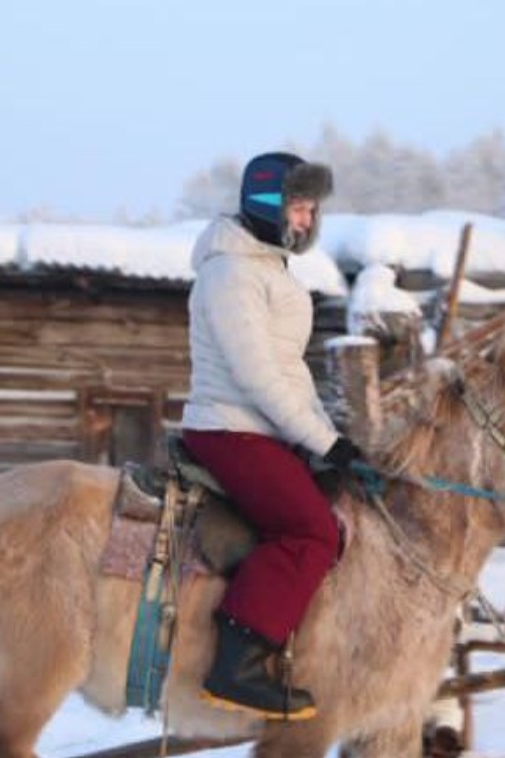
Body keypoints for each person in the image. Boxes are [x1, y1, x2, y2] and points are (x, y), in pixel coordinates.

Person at [181, 151, 364, 720]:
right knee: (309, 531)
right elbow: (256, 373)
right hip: (228, 428)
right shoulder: (230, 272)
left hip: (261, 429)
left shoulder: (267, 265)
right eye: (299, 207)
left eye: (311, 210)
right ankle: (236, 665)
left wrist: (325, 441)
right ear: (266, 202)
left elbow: (291, 369)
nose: (307, 221)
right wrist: (322, 442)